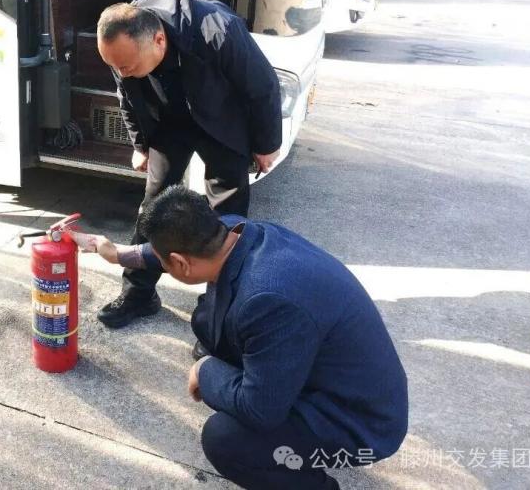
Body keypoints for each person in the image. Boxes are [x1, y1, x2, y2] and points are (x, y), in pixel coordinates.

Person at [71, 186, 408, 490]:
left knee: (227, 440)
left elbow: (260, 411)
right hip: (326, 371)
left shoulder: (267, 300)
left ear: (180, 263)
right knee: (210, 321)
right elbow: (168, 250)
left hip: (360, 420)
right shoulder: (234, 231)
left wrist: (206, 371)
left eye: (165, 261)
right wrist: (117, 253)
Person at [95, 0, 283, 329]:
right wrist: (140, 145)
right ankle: (138, 292)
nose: (121, 73)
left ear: (159, 40)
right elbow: (126, 97)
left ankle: (215, 310)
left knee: (227, 220)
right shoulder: (121, 42)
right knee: (154, 208)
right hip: (169, 122)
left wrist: (266, 144)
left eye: (128, 67)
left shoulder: (218, 29)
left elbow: (263, 87)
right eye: (115, 67)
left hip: (223, 123)